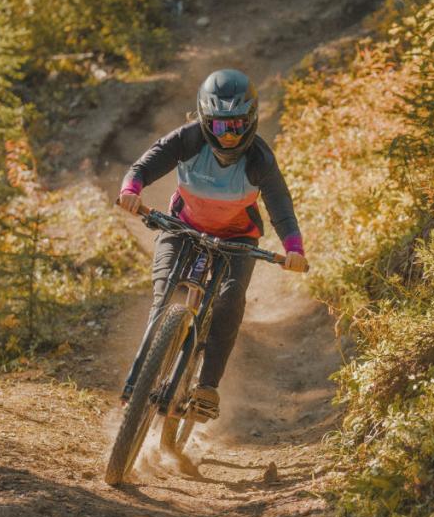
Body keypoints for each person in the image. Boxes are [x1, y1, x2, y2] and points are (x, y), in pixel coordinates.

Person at [116, 68, 308, 427]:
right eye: (221, 126)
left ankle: (206, 387)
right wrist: (131, 191)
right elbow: (146, 164)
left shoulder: (260, 160)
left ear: (251, 120)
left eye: (237, 125)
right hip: (182, 225)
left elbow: (281, 206)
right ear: (205, 120)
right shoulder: (188, 140)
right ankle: (139, 379)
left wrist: (294, 248)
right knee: (163, 296)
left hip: (238, 240)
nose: (230, 135)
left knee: (229, 301)